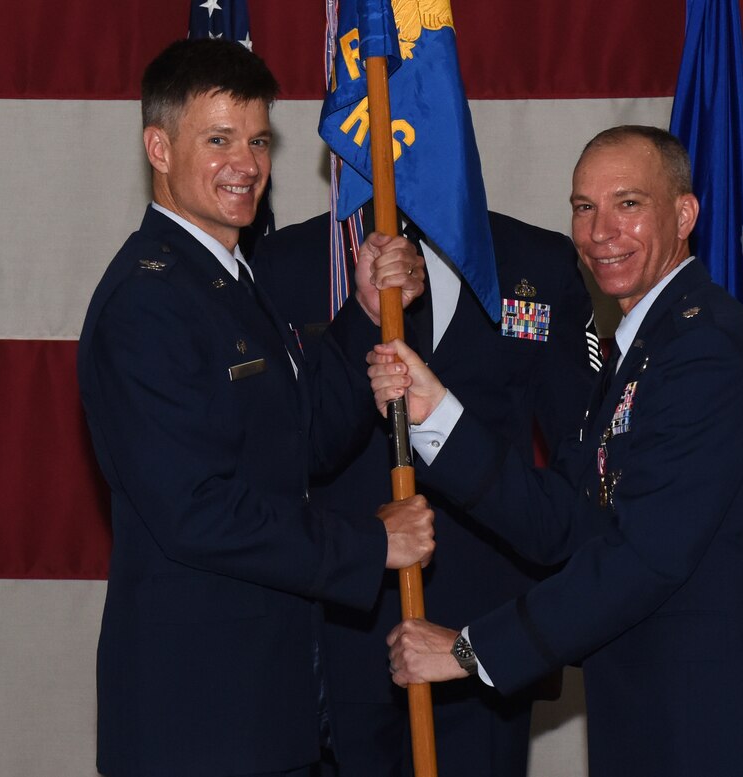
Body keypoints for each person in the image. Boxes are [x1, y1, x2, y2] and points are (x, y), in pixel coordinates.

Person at [371, 126, 743, 776]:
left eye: (628, 204)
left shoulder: (706, 355)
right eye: (583, 207)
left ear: (684, 213)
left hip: (719, 734)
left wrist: (470, 652)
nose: (599, 230)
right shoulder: (644, 348)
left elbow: (642, 557)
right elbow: (566, 515)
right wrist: (435, 412)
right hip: (655, 724)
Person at [76, 39, 435, 777]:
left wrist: (365, 312)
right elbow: (199, 511)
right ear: (159, 146)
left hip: (268, 708)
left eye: (258, 140)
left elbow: (300, 440)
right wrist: (370, 546)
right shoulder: (148, 303)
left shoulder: (227, 278)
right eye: (217, 139)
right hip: (197, 722)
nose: (246, 162)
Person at [253, 206, 600, 776]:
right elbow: (275, 450)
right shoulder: (289, 260)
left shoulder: (532, 257)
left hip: (483, 638)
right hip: (342, 632)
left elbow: (583, 456)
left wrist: (548, 617)